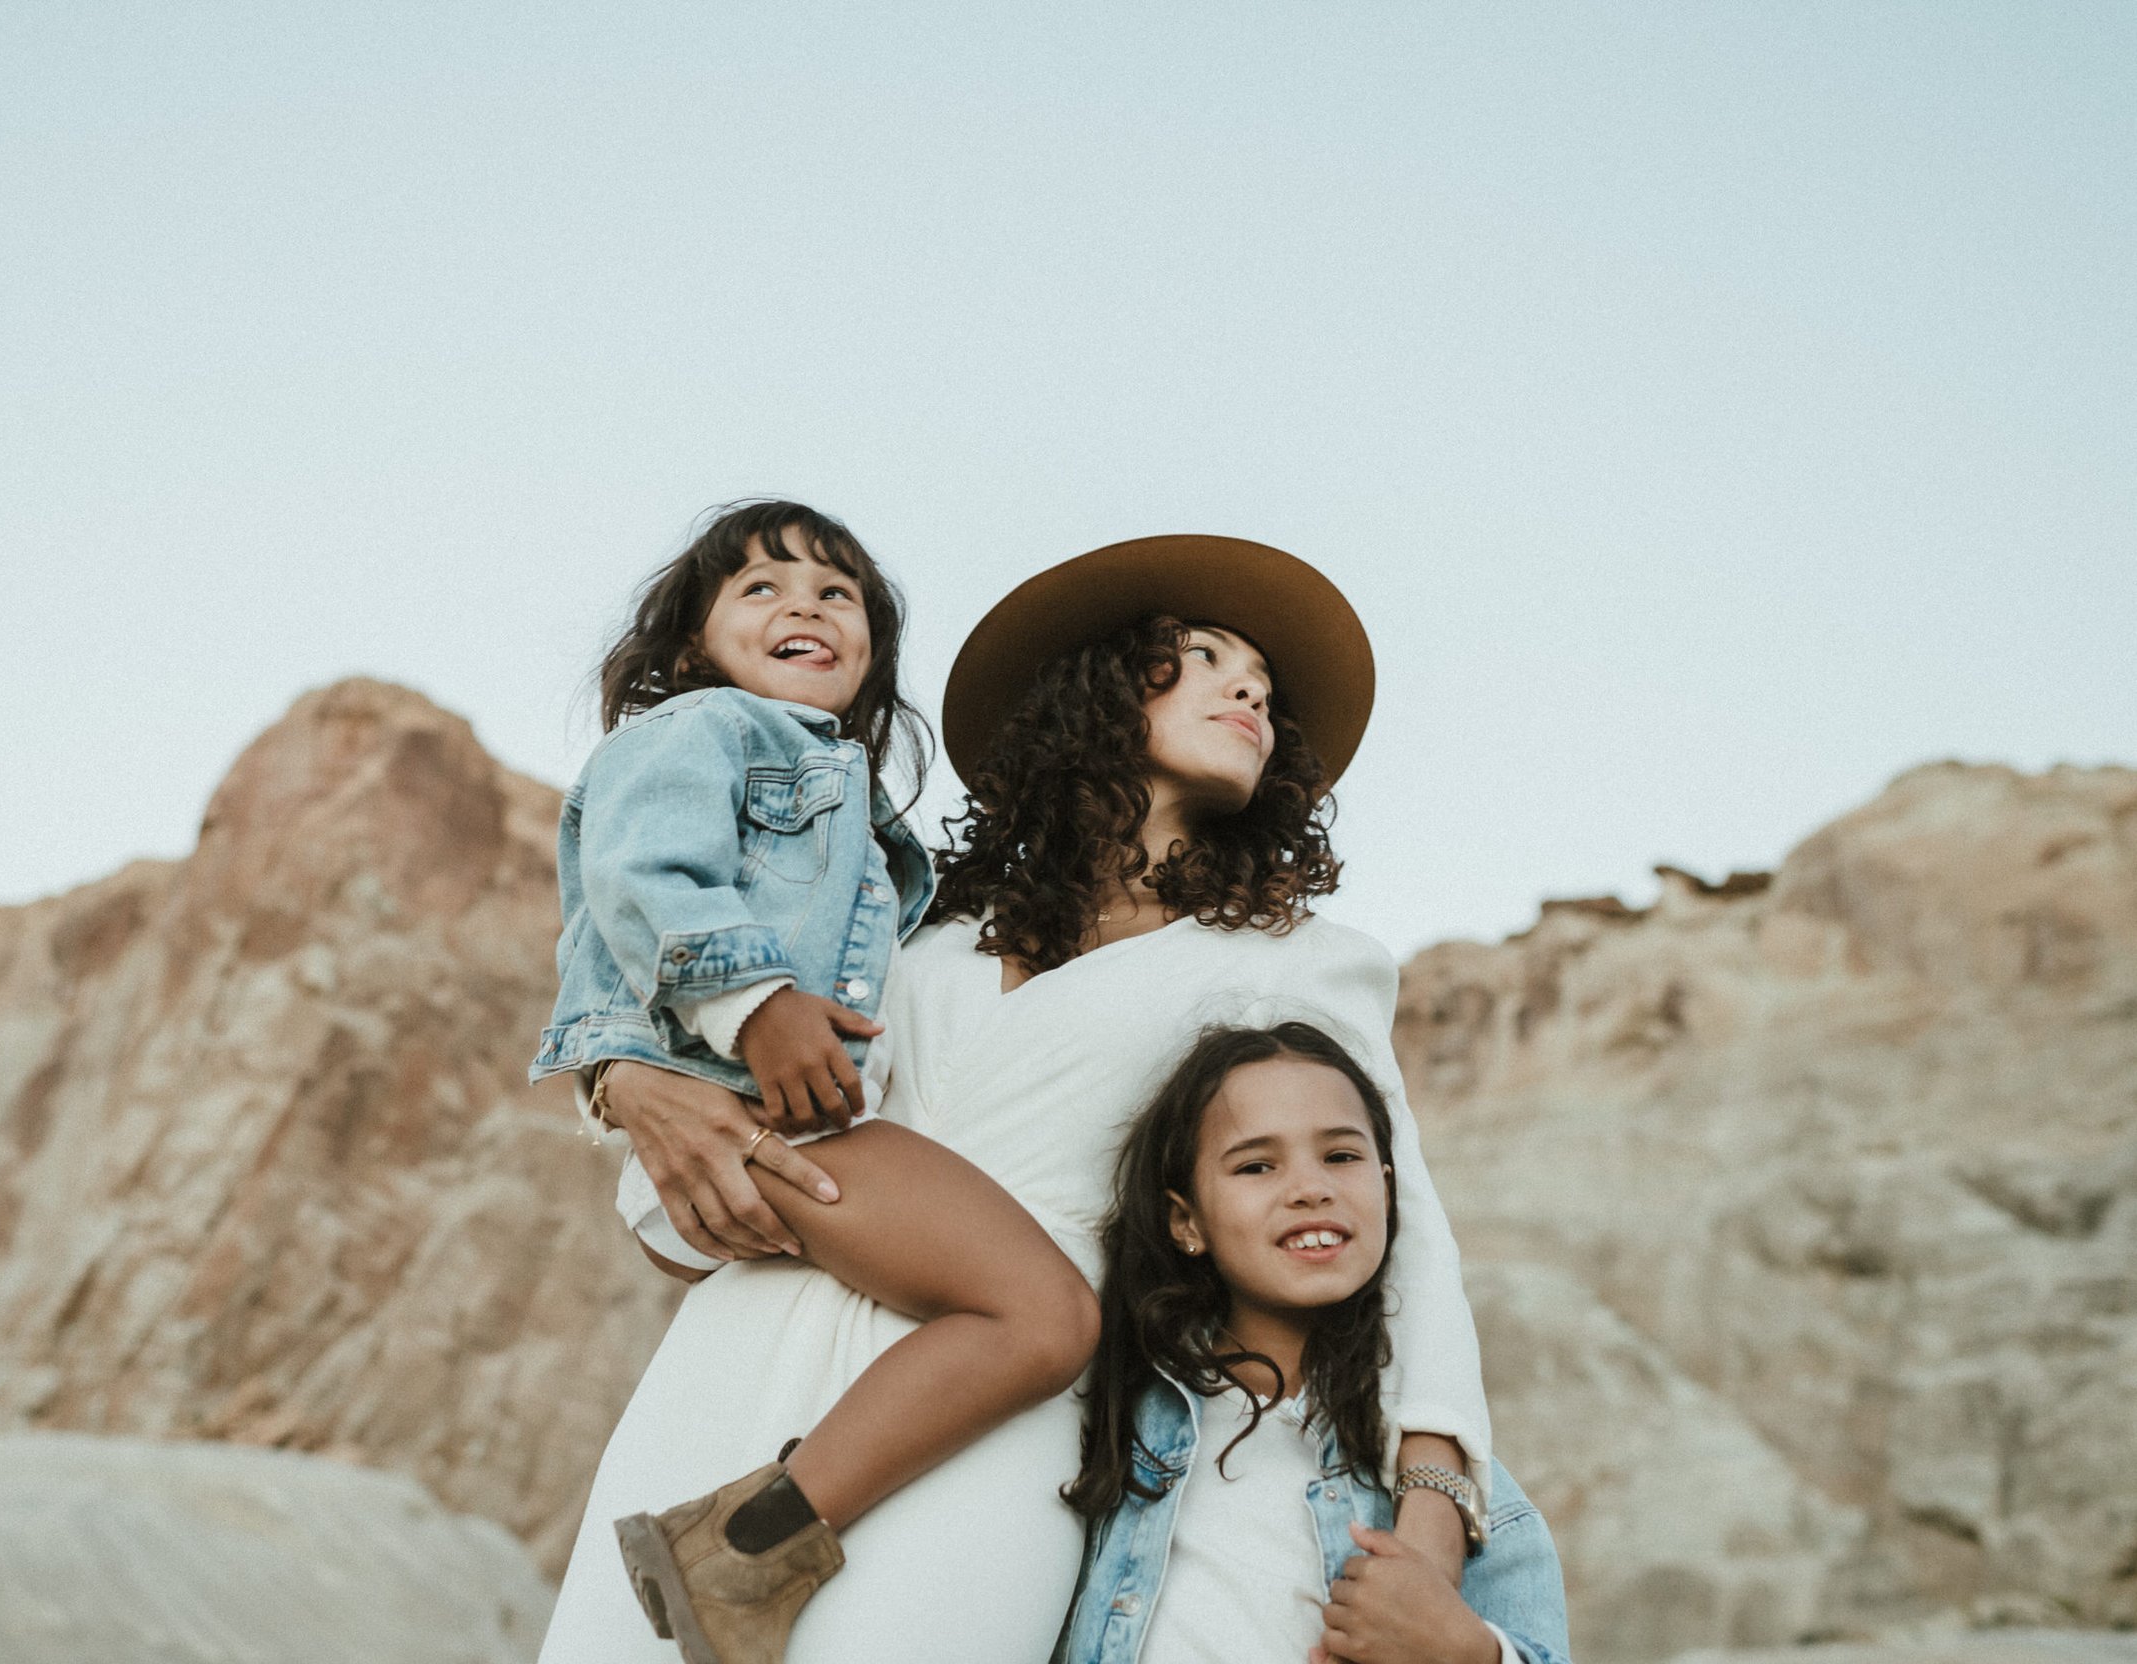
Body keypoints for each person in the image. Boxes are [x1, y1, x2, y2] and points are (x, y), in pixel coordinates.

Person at [540, 534, 1493, 1663]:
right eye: (1200, 657)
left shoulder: (1293, 962)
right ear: (1096, 688)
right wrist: (626, 1077)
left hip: (1001, 1407)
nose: (1249, 689)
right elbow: (725, 1045)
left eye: (1266, 688)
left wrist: (1433, 1520)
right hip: (737, 1352)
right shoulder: (912, 923)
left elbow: (1405, 1232)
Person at [530, 500, 1101, 1664]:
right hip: (743, 1107)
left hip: (745, 1130)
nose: (805, 605)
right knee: (1043, 1315)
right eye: (762, 587)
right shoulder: (697, 732)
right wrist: (752, 1005)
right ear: (692, 644)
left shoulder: (856, 806)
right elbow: (634, 875)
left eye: (837, 595)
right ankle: (740, 1550)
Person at [1059, 1021, 1572, 1664]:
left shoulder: (1458, 1497)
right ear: (1186, 1221)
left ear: (1389, 1189)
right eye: (1256, 1165)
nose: (1310, 1187)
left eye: (1341, 1156)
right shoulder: (1106, 1430)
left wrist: (1469, 1652)